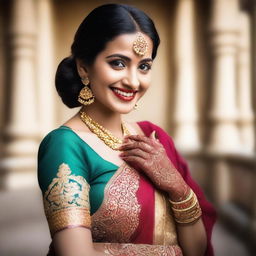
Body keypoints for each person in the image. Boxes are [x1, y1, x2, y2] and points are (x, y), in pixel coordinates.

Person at [37, 3, 216, 256]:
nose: (133, 81)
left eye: (144, 66)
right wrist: (172, 253)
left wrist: (177, 187)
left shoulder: (154, 137)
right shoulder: (65, 145)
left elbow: (196, 249)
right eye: (118, 63)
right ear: (84, 67)